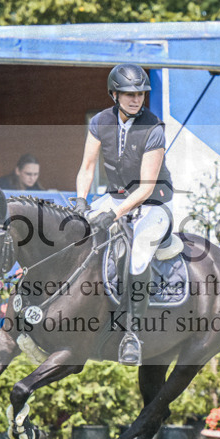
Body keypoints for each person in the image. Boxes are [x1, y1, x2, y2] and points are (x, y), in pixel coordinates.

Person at [73, 64, 173, 366]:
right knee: (77, 232)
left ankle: (132, 334)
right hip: (114, 198)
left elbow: (145, 188)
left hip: (153, 204)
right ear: (114, 94)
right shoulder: (100, 121)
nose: (136, 99)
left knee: (139, 253)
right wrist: (81, 201)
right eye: (129, 94)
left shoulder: (153, 127)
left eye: (141, 93)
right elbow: (87, 167)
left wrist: (114, 213)